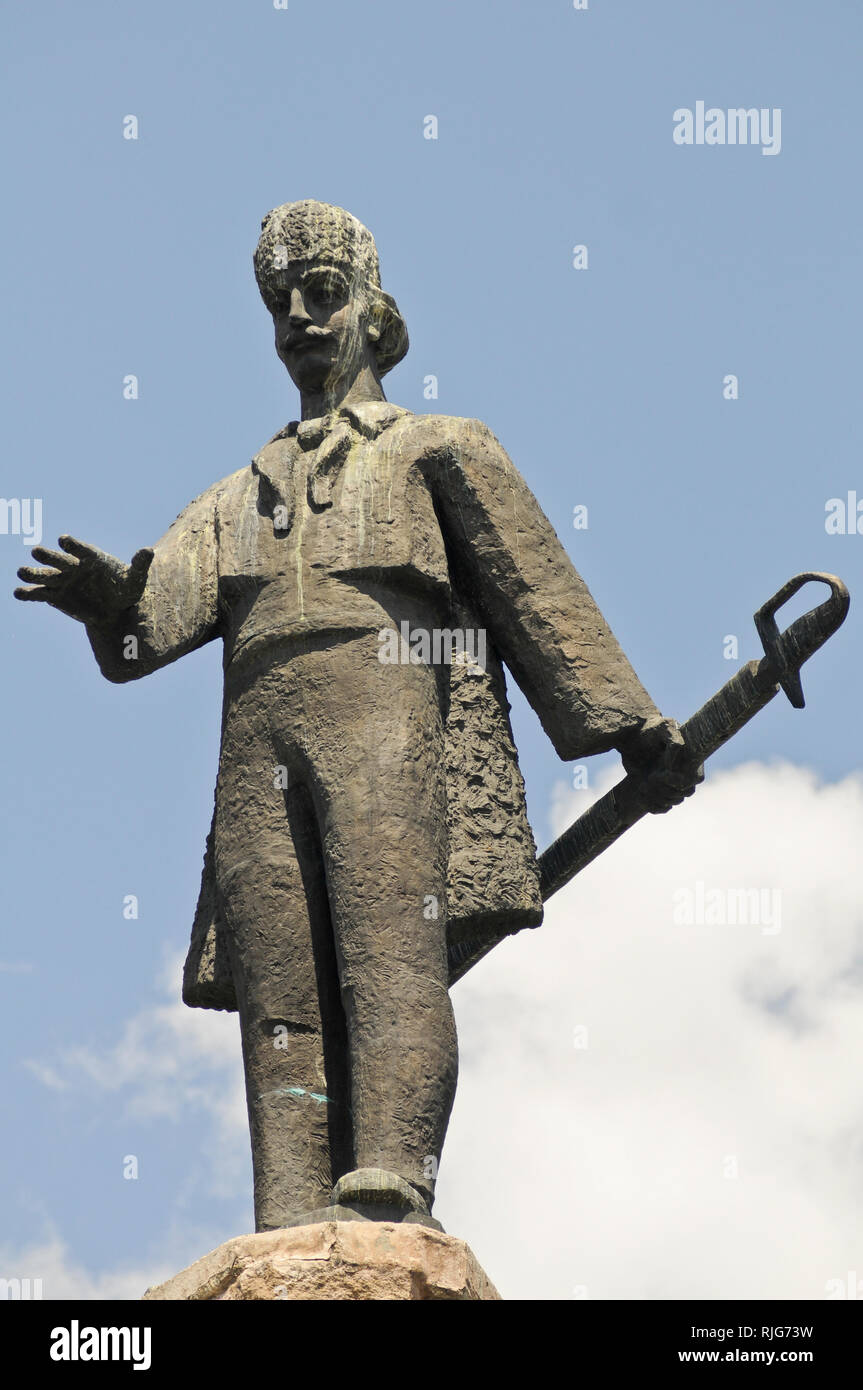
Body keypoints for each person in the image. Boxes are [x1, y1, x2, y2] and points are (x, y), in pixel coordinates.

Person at [15, 200, 702, 1231]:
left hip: (386, 711)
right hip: (257, 735)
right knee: (279, 976)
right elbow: (138, 645)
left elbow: (535, 595)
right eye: (277, 302)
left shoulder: (436, 449)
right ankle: (288, 1203)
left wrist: (631, 729)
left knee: (388, 946)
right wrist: (113, 604)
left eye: (321, 293)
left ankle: (391, 1168)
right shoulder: (233, 497)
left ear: (377, 314)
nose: (297, 316)